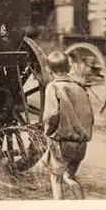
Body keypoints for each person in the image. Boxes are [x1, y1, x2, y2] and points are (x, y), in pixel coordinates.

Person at [41, 51, 94, 200]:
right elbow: (90, 116)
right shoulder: (80, 88)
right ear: (70, 68)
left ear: (48, 70)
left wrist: (48, 132)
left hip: (62, 143)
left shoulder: (53, 87)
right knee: (70, 177)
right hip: (81, 144)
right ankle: (82, 207)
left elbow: (51, 115)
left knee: (55, 179)